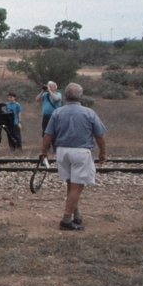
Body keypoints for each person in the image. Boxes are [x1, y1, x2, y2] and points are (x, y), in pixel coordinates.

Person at [39, 83, 107, 231]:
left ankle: (76, 214)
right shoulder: (89, 113)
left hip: (62, 151)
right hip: (81, 152)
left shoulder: (58, 113)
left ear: (66, 96)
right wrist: (103, 152)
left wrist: (44, 151)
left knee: (71, 183)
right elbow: (99, 136)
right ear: (81, 96)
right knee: (77, 186)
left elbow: (48, 134)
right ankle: (66, 219)